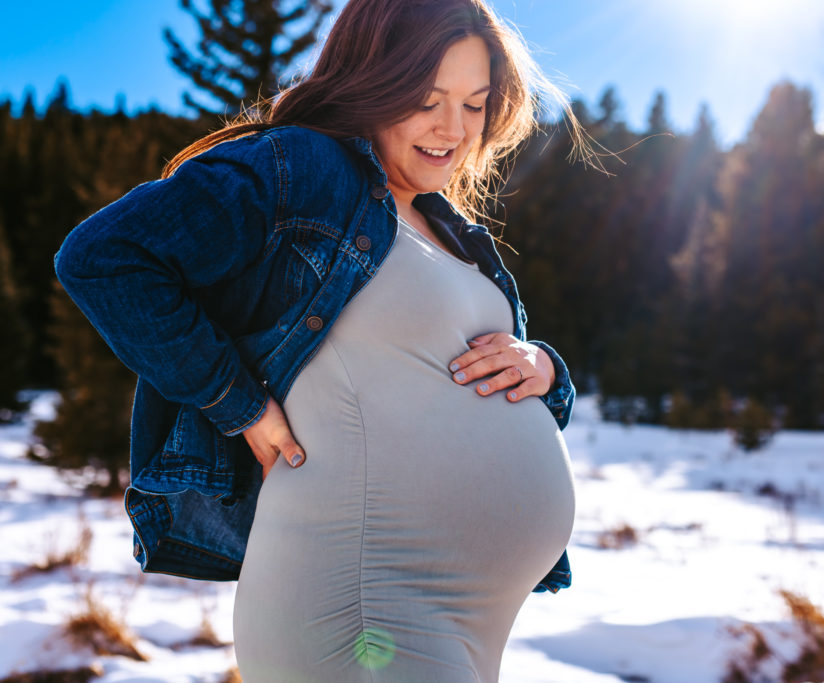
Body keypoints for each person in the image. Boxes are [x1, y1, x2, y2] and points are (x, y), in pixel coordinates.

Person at [54, 0, 587, 680]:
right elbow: (103, 256)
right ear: (372, 81)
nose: (453, 129)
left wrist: (543, 367)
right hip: (360, 604)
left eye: (475, 105)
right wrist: (235, 401)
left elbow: (458, 369)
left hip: (470, 618)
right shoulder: (304, 169)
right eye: (426, 99)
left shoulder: (447, 227)